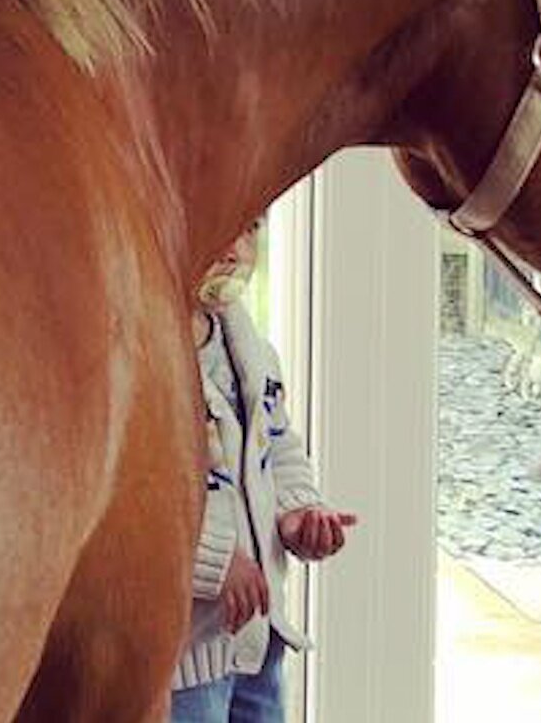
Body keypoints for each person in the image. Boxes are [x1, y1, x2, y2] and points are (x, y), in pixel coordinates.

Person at [172, 219, 358, 723]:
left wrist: (298, 509)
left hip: (260, 638)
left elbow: (279, 448)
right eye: (222, 224)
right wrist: (213, 561)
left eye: (249, 228)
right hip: (187, 660)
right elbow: (140, 500)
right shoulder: (151, 363)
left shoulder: (255, 355)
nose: (234, 249)